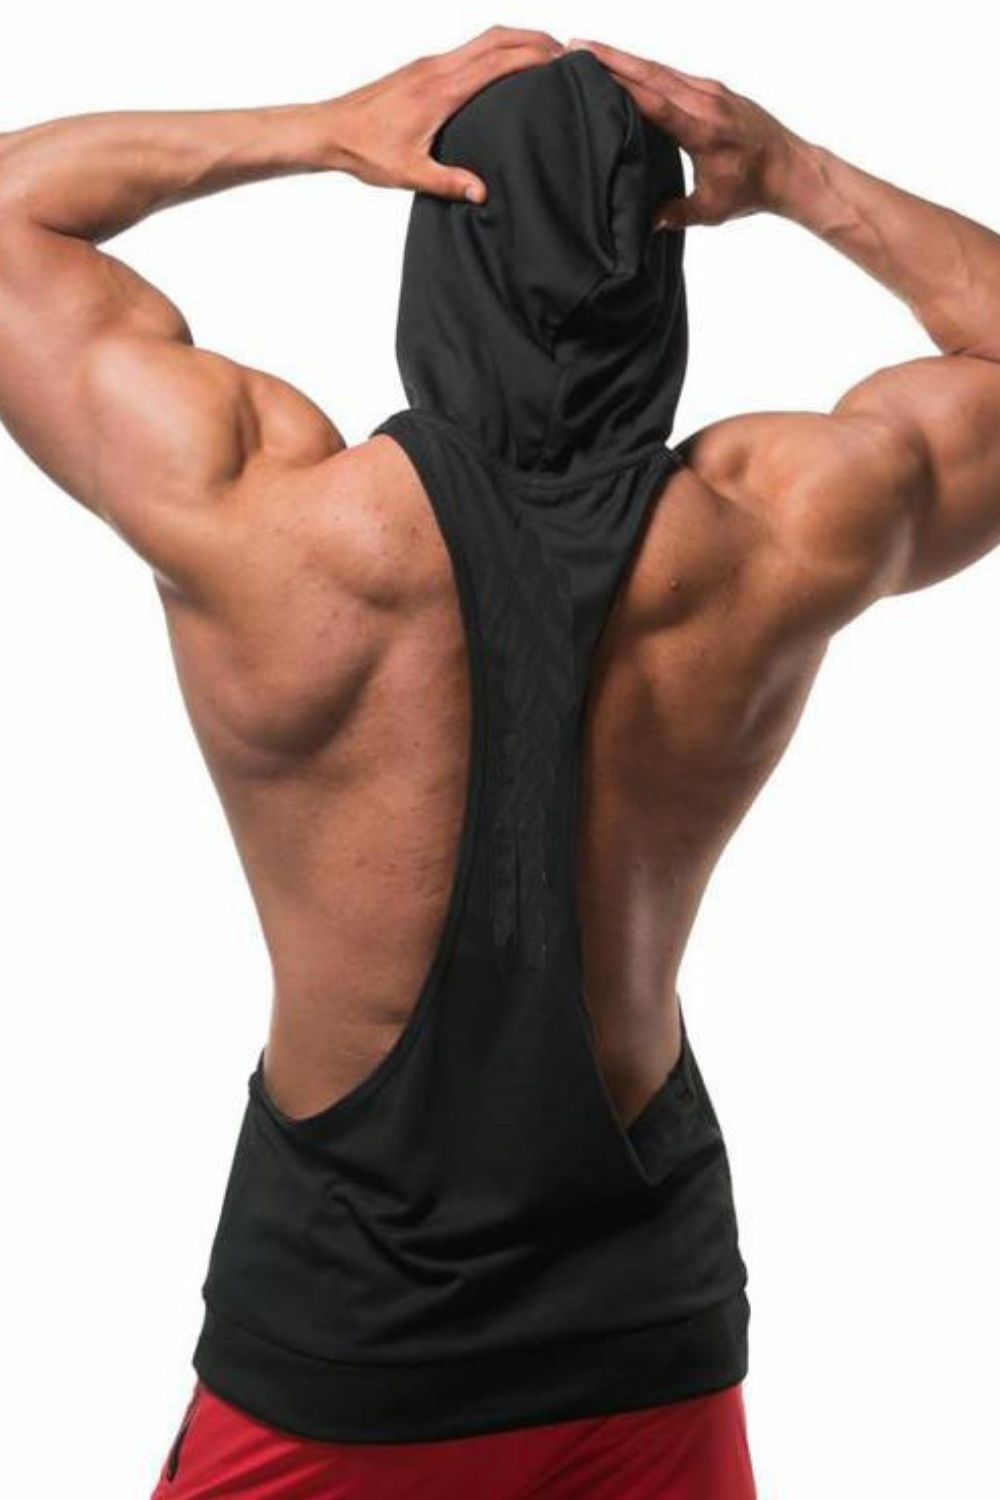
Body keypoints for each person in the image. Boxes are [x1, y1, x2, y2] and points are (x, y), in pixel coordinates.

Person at [1, 24, 998, 1500]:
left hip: (340, 1329)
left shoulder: (264, 513)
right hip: (645, 1327)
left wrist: (318, 126)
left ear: (433, 245)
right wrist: (795, 174)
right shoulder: (774, 532)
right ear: (663, 266)